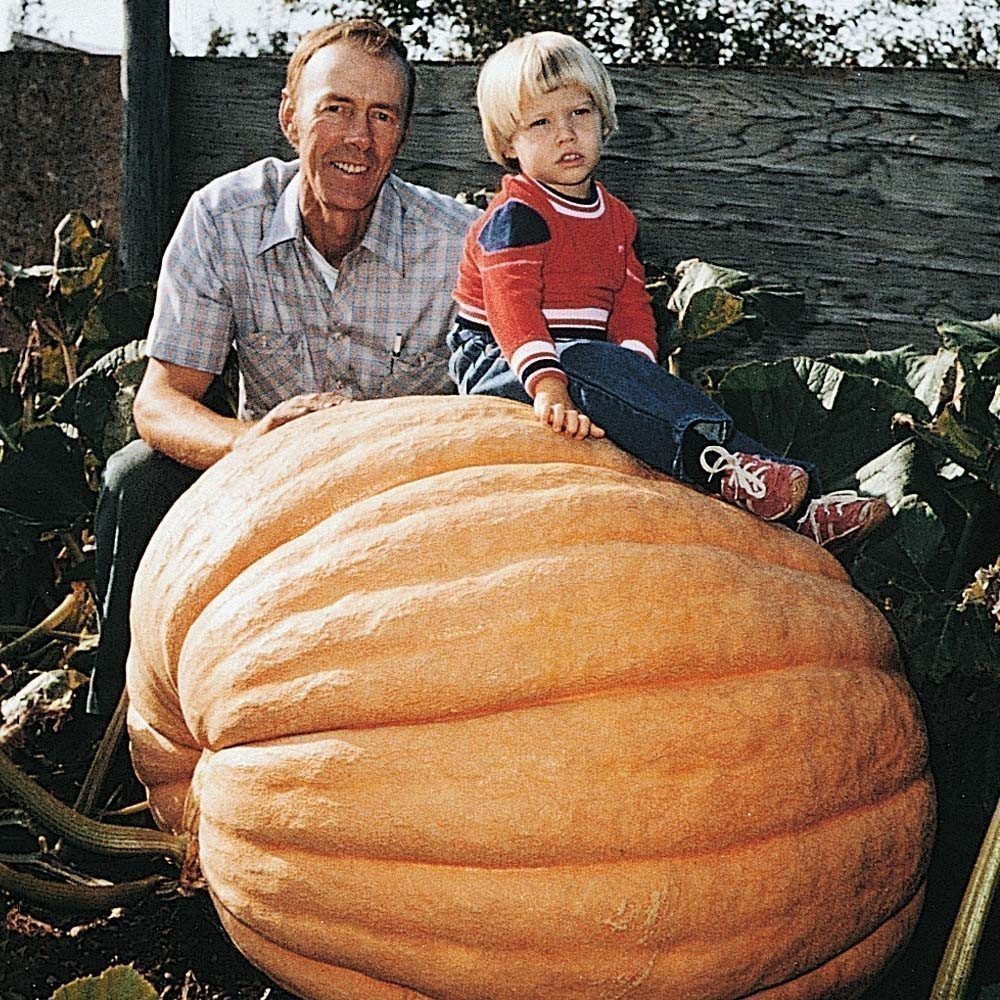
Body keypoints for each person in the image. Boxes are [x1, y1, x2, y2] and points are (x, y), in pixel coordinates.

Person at [88, 18, 478, 716]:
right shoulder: (223, 218)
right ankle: (116, 734)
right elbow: (161, 401)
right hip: (258, 495)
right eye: (336, 108)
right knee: (135, 481)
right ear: (290, 116)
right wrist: (253, 442)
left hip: (404, 514)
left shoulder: (456, 245)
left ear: (402, 136)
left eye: (381, 115)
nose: (358, 136)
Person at [448, 32, 890, 545]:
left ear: (605, 120)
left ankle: (797, 500)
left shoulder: (616, 219)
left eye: (579, 114)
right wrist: (548, 385)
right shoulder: (516, 216)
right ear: (507, 144)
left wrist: (638, 365)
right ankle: (716, 464)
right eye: (541, 122)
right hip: (502, 359)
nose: (565, 134)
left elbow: (631, 306)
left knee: (642, 382)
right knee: (592, 364)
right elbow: (510, 306)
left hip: (585, 358)